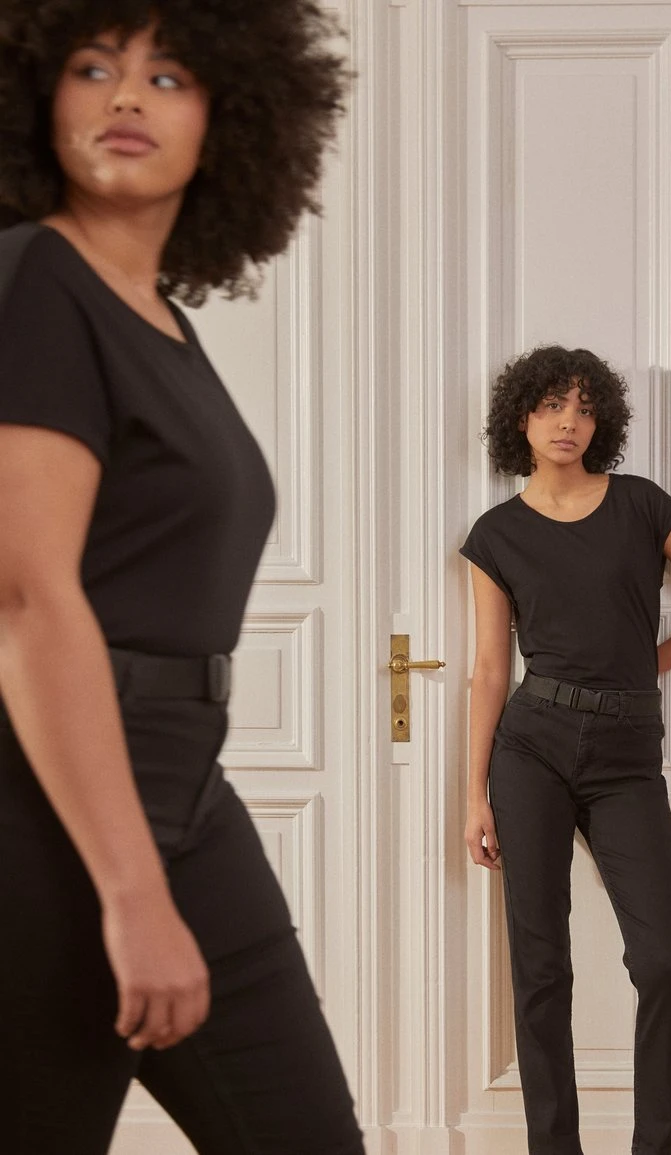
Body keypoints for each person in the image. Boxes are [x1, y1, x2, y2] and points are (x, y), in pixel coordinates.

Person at [0, 3, 364, 1153]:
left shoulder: (154, 316)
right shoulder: (32, 280)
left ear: (232, 119)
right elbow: (24, 597)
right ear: (36, 99)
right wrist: (129, 892)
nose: (125, 95)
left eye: (168, 76)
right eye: (92, 66)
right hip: (43, 808)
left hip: (184, 790)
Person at [460, 345, 671, 1155]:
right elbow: (490, 670)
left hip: (626, 756)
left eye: (585, 409)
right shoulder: (496, 534)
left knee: (660, 962)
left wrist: (643, 665)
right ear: (521, 417)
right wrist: (474, 795)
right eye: (553, 405)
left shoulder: (641, 504)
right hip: (532, 748)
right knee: (541, 966)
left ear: (603, 424)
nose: (569, 422)